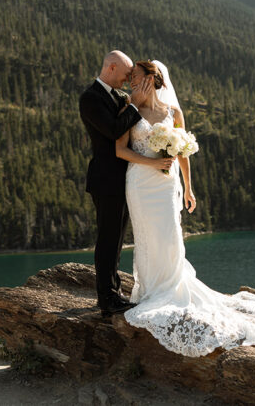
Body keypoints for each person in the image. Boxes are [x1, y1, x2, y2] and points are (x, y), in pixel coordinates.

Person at [114, 60, 255, 357]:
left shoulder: (173, 112)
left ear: (152, 79)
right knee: (147, 237)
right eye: (130, 78)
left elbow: (181, 153)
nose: (131, 82)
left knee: (169, 236)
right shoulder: (129, 110)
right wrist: (152, 160)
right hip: (140, 182)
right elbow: (120, 150)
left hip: (167, 185)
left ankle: (169, 287)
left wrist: (189, 188)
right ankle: (149, 291)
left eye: (136, 77)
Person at [79, 50, 151, 316]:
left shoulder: (119, 96)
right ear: (110, 68)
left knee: (118, 239)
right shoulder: (90, 98)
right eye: (124, 75)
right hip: (106, 180)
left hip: (125, 180)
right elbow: (112, 130)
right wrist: (134, 105)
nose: (126, 80)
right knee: (107, 239)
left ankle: (115, 292)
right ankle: (106, 299)